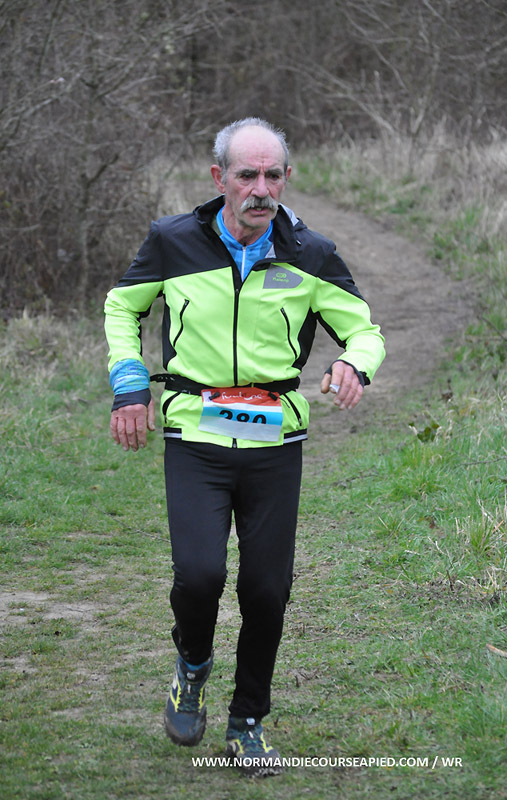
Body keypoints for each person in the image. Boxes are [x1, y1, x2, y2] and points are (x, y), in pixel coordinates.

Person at [104, 117, 385, 777]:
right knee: (200, 576)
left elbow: (364, 330)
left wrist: (355, 363)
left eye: (272, 175)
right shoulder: (173, 241)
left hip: (273, 443)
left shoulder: (311, 254)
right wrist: (129, 384)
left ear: (285, 179)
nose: (261, 189)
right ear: (219, 178)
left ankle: (247, 721)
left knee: (266, 589)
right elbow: (122, 306)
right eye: (247, 175)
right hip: (195, 434)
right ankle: (192, 665)